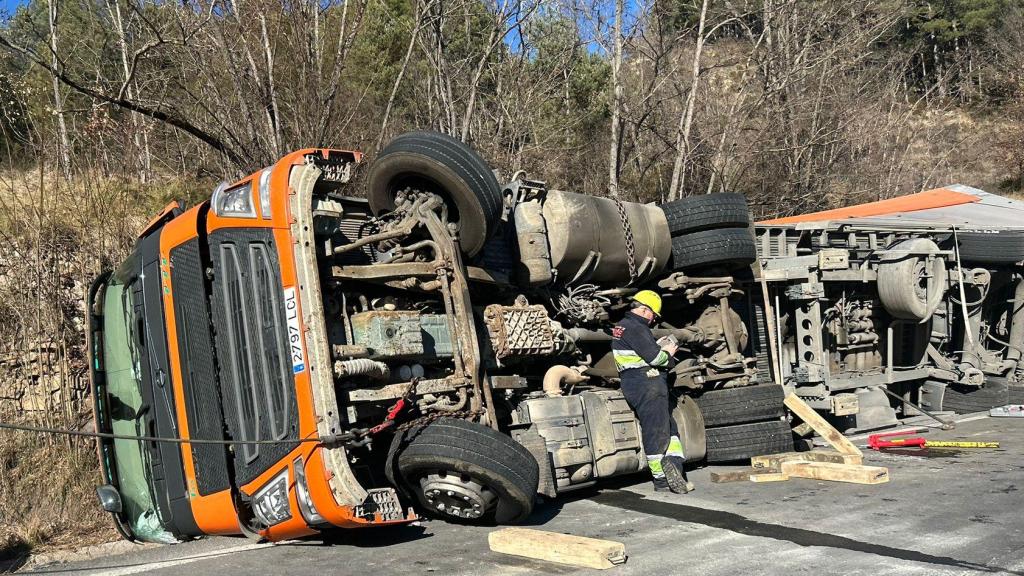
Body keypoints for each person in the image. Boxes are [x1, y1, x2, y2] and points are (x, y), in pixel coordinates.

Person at [611, 290, 693, 494]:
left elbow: (639, 353)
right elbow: (656, 359)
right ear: (645, 310)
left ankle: (674, 464)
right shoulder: (636, 328)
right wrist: (668, 352)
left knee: (670, 429)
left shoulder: (621, 326)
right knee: (656, 431)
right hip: (647, 383)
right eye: (654, 316)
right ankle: (661, 479)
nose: (653, 320)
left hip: (635, 382)